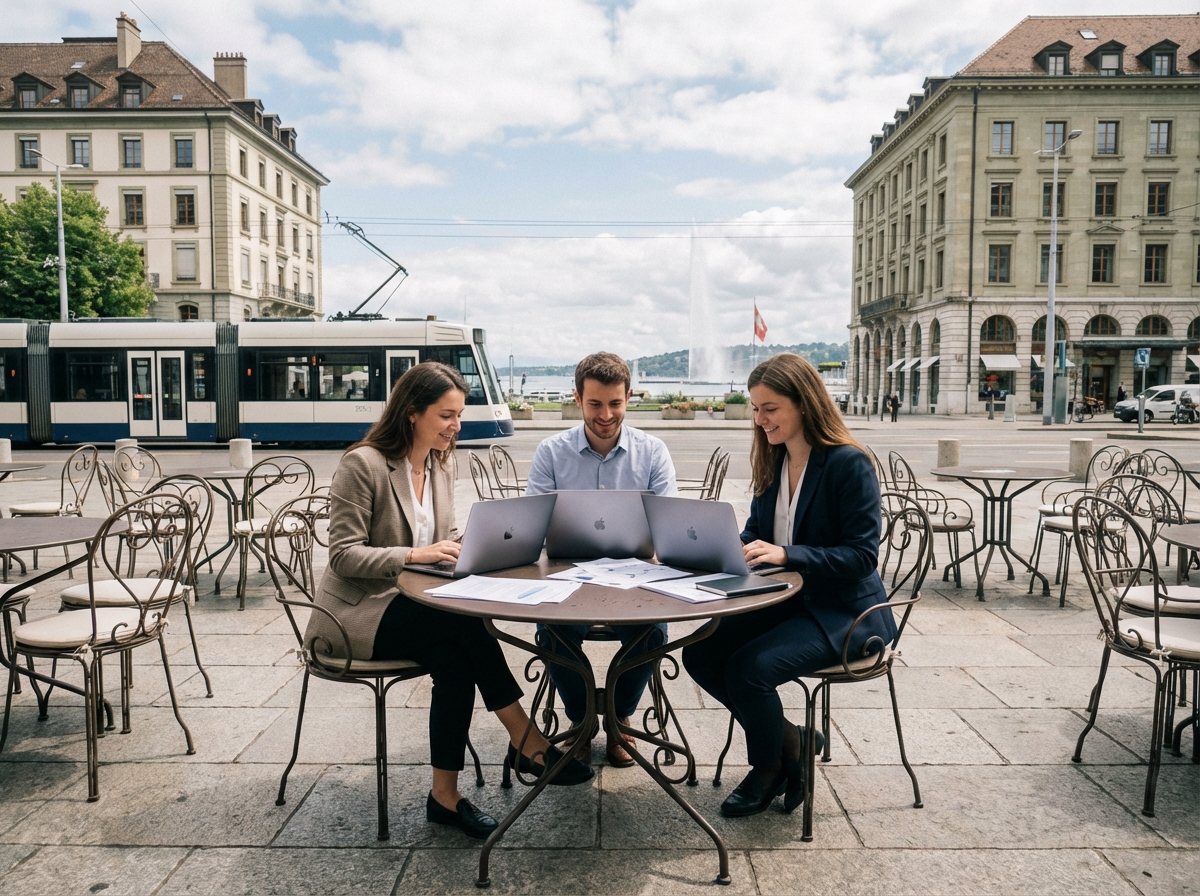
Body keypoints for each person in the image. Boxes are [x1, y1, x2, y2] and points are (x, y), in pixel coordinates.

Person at [305, 361, 592, 841]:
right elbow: (342, 557)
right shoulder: (365, 464)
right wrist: (416, 554)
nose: (456, 427)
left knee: (456, 662)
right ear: (412, 412)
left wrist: (475, 548)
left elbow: (442, 537)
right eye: (447, 416)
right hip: (356, 614)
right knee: (467, 626)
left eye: (459, 415)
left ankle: (444, 796)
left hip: (417, 607)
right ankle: (526, 741)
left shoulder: (441, 461)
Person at [682, 352, 895, 818]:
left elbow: (862, 557)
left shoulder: (848, 464)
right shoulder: (773, 462)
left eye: (770, 408)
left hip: (846, 612)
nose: (760, 421)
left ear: (805, 403)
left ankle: (768, 767)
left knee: (749, 669)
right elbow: (758, 533)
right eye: (756, 409)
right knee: (700, 651)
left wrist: (787, 554)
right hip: (790, 602)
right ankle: (794, 740)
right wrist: (729, 547)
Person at [526, 351, 677, 767]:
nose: (606, 414)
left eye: (615, 403)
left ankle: (618, 716)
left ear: (628, 397)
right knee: (552, 630)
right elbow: (531, 524)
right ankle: (581, 722)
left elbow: (670, 526)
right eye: (595, 404)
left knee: (653, 629)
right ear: (577, 398)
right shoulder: (551, 452)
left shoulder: (653, 451)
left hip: (635, 574)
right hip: (565, 572)